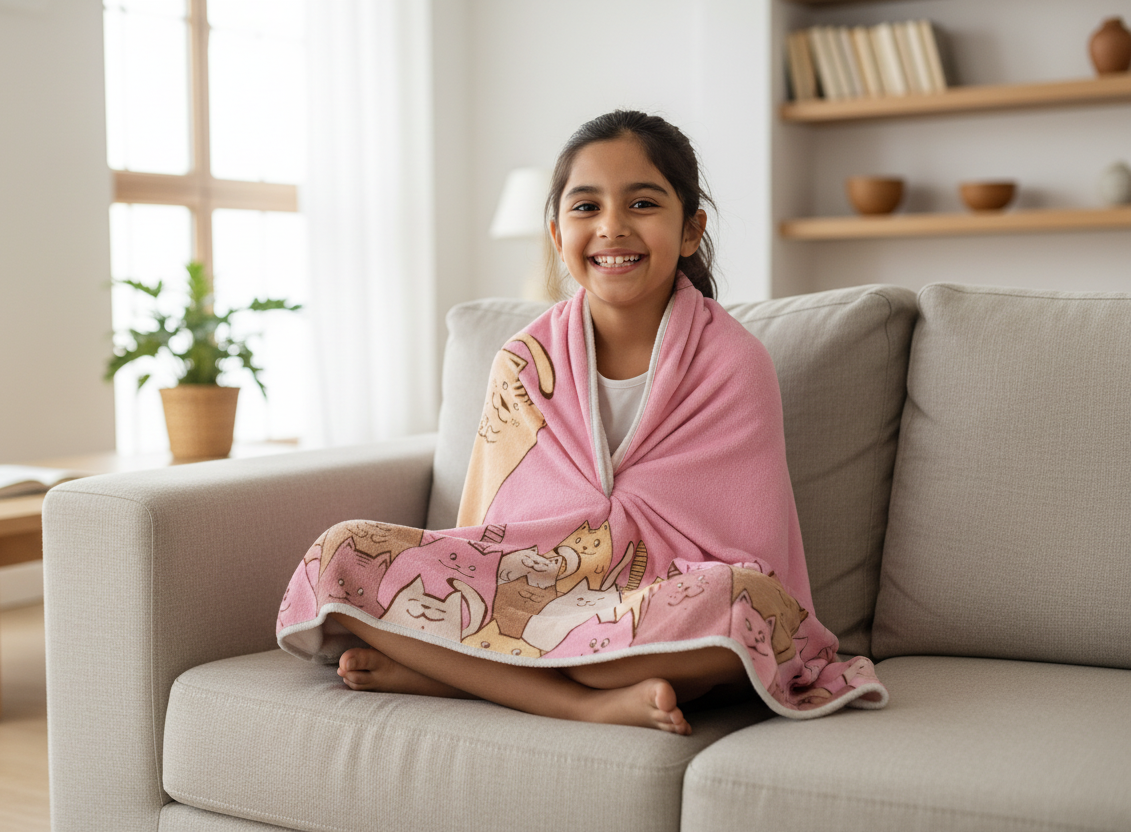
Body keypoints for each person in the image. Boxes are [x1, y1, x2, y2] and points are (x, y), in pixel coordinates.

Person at [277, 110, 886, 735]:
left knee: (741, 608)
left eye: (642, 203)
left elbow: (752, 549)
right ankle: (584, 699)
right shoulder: (523, 361)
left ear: (689, 229)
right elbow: (486, 535)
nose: (612, 228)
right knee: (341, 553)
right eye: (586, 207)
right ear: (556, 232)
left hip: (661, 605)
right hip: (538, 590)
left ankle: (466, 672)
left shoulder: (734, 361)